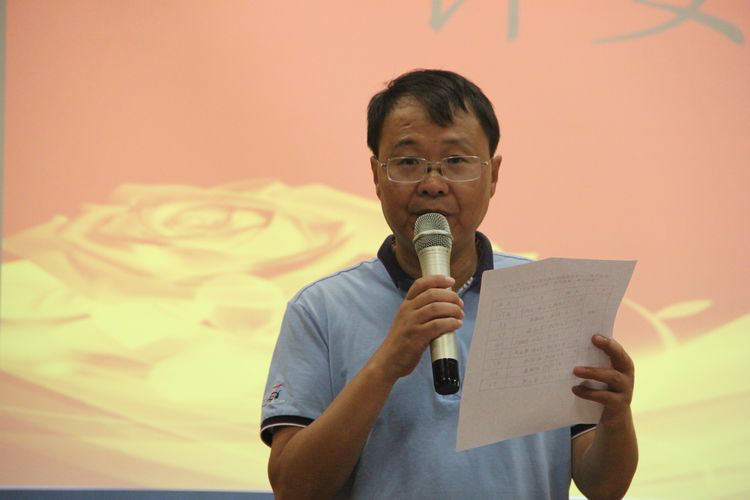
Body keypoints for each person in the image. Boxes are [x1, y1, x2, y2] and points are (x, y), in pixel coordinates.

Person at [260, 69, 638, 499]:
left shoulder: (550, 298)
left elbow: (604, 487)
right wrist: (386, 364)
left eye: (456, 162)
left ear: (493, 176)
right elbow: (294, 487)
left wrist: (616, 419)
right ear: (376, 175)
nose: (433, 184)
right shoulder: (320, 309)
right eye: (408, 162)